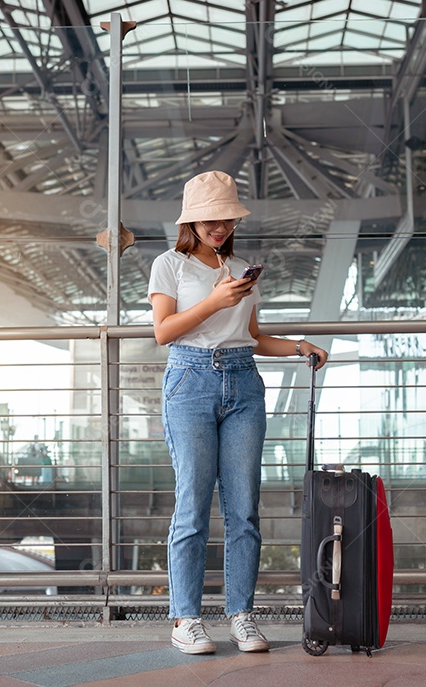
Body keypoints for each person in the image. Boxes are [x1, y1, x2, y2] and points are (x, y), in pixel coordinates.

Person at [148, 170, 328, 655]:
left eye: (227, 217)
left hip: (243, 381)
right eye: (210, 218)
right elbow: (164, 333)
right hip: (189, 382)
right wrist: (212, 301)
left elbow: (250, 337)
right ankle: (186, 619)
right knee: (192, 504)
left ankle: (240, 615)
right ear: (192, 220)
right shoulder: (169, 265)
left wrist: (295, 347)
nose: (220, 226)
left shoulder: (241, 267)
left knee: (244, 507)